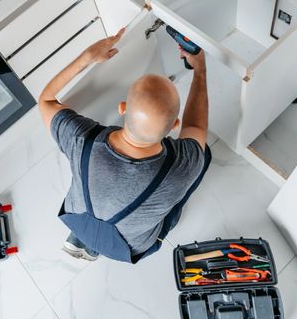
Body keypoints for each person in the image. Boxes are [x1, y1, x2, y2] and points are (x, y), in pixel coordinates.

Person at [38, 28, 211, 264]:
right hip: (129, 247)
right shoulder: (182, 167)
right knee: (203, 156)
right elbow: (196, 128)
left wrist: (87, 57)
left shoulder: (82, 140)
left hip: (76, 217)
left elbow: (46, 100)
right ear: (174, 126)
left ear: (122, 108)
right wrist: (200, 69)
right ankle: (95, 243)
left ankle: (83, 239)